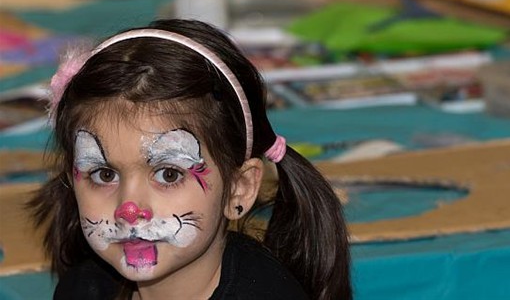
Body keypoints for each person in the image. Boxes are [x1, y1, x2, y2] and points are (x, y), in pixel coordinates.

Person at [29, 19, 352, 299]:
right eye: (104, 174)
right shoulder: (86, 288)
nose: (129, 209)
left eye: (169, 174)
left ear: (239, 189)